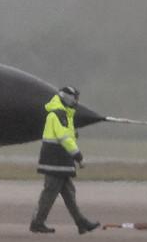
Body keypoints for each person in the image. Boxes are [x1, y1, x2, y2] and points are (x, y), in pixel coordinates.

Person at [31, 86, 99, 234]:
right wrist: (78, 156)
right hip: (55, 161)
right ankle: (37, 223)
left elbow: (66, 135)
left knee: (69, 193)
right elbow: (64, 138)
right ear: (67, 97)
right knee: (50, 193)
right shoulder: (58, 114)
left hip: (60, 161)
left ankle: (81, 223)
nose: (76, 101)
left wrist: (73, 134)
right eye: (75, 98)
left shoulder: (64, 114)